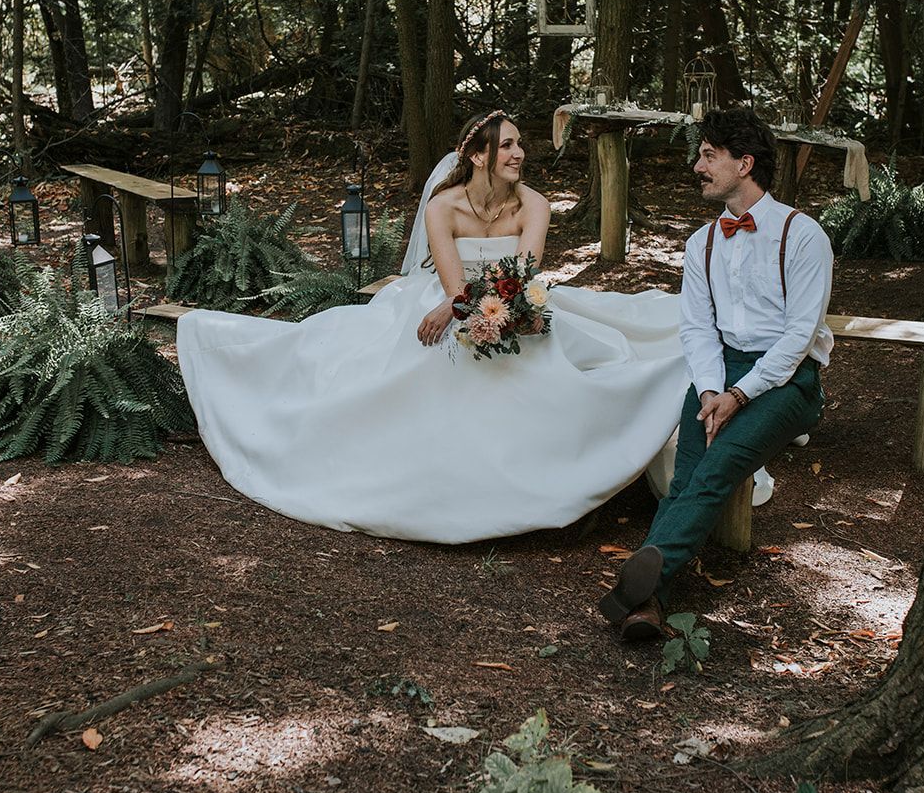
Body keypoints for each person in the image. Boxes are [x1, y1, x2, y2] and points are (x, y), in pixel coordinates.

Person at [175, 110, 690, 543]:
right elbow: (449, 283)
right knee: (418, 363)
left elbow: (525, 271)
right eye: (507, 146)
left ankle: (564, 475)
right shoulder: (444, 206)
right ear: (477, 156)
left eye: (519, 145)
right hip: (451, 299)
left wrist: (499, 308)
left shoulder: (533, 203)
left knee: (561, 361)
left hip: (513, 300)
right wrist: (459, 308)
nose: (518, 154)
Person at [598, 107, 834, 639]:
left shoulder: (803, 236)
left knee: (716, 467)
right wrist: (709, 388)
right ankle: (645, 602)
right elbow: (698, 330)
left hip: (788, 381)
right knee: (685, 478)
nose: (697, 166)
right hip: (718, 371)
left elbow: (799, 338)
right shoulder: (700, 244)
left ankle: (640, 581)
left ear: (744, 164)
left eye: (709, 156)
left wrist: (740, 395)